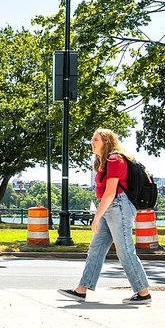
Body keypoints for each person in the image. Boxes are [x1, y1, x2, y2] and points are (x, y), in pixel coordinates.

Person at [58, 128, 152, 304]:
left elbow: (110, 193)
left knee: (125, 251)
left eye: (96, 140)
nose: (92, 143)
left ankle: (144, 293)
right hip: (111, 207)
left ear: (106, 142)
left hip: (118, 207)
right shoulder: (105, 162)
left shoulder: (115, 159)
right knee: (96, 250)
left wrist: (96, 217)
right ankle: (81, 289)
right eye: (92, 139)